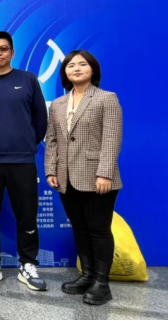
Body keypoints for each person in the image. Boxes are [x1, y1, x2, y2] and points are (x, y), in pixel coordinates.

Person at [45, 50, 122, 306]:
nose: (76, 68)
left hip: (97, 177)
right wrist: (51, 170)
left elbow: (112, 138)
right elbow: (52, 139)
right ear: (65, 72)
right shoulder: (58, 104)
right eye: (71, 65)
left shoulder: (106, 98)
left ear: (93, 69)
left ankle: (102, 282)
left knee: (99, 230)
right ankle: (87, 275)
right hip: (66, 177)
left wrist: (105, 173)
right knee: (79, 227)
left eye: (82, 64)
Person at [0, 31, 48, 291]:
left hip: (22, 160)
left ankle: (28, 264)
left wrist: (25, 145)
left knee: (27, 215)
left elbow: (40, 120)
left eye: (3, 49)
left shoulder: (28, 80)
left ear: (12, 52)